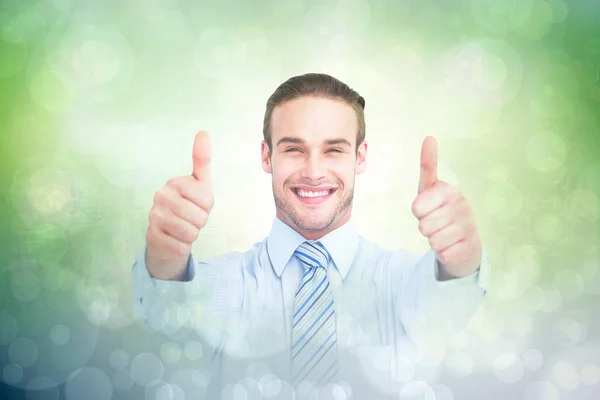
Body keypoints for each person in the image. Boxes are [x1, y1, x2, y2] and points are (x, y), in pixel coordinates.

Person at [131, 73, 490, 399]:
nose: (314, 172)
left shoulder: (400, 282)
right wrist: (166, 253)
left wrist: (459, 259)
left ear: (360, 157)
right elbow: (170, 313)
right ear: (266, 156)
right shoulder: (225, 285)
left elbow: (445, 305)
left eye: (333, 149)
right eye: (293, 149)